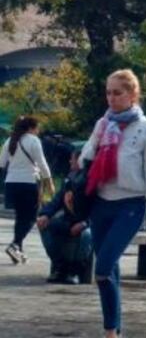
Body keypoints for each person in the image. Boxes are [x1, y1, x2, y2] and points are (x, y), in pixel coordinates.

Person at [81, 69, 146, 338]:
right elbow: (85, 158)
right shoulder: (102, 124)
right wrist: (97, 147)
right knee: (110, 271)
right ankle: (111, 331)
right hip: (100, 203)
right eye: (108, 92)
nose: (112, 98)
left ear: (132, 95)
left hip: (130, 204)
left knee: (103, 267)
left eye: (118, 93)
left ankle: (112, 330)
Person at [1, 115, 55, 265]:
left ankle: (18, 251)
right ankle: (15, 244)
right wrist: (49, 181)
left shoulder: (10, 140)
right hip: (29, 183)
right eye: (37, 128)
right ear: (31, 128)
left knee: (20, 218)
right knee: (31, 218)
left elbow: (1, 163)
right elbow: (42, 163)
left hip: (11, 183)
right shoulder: (33, 140)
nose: (38, 131)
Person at [37, 150, 93, 284]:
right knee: (45, 226)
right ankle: (60, 266)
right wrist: (45, 214)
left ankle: (75, 271)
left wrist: (85, 223)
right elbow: (57, 200)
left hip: (86, 222)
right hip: (68, 220)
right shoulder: (70, 178)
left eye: (72, 159)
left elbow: (98, 208)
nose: (70, 162)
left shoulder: (91, 179)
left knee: (86, 235)